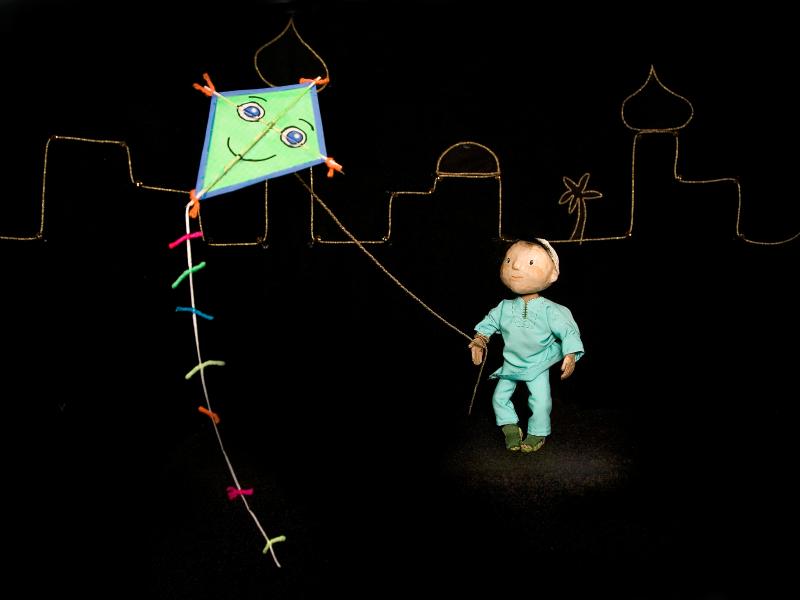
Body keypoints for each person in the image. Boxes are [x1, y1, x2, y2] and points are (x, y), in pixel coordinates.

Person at [469, 238, 584, 452]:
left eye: (530, 262)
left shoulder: (550, 310)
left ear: (553, 274)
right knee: (499, 398)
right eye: (509, 260)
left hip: (537, 364)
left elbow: (567, 331)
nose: (515, 266)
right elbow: (489, 323)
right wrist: (480, 340)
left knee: (540, 401)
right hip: (511, 364)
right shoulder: (504, 307)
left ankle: (538, 432)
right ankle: (510, 427)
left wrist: (570, 354)